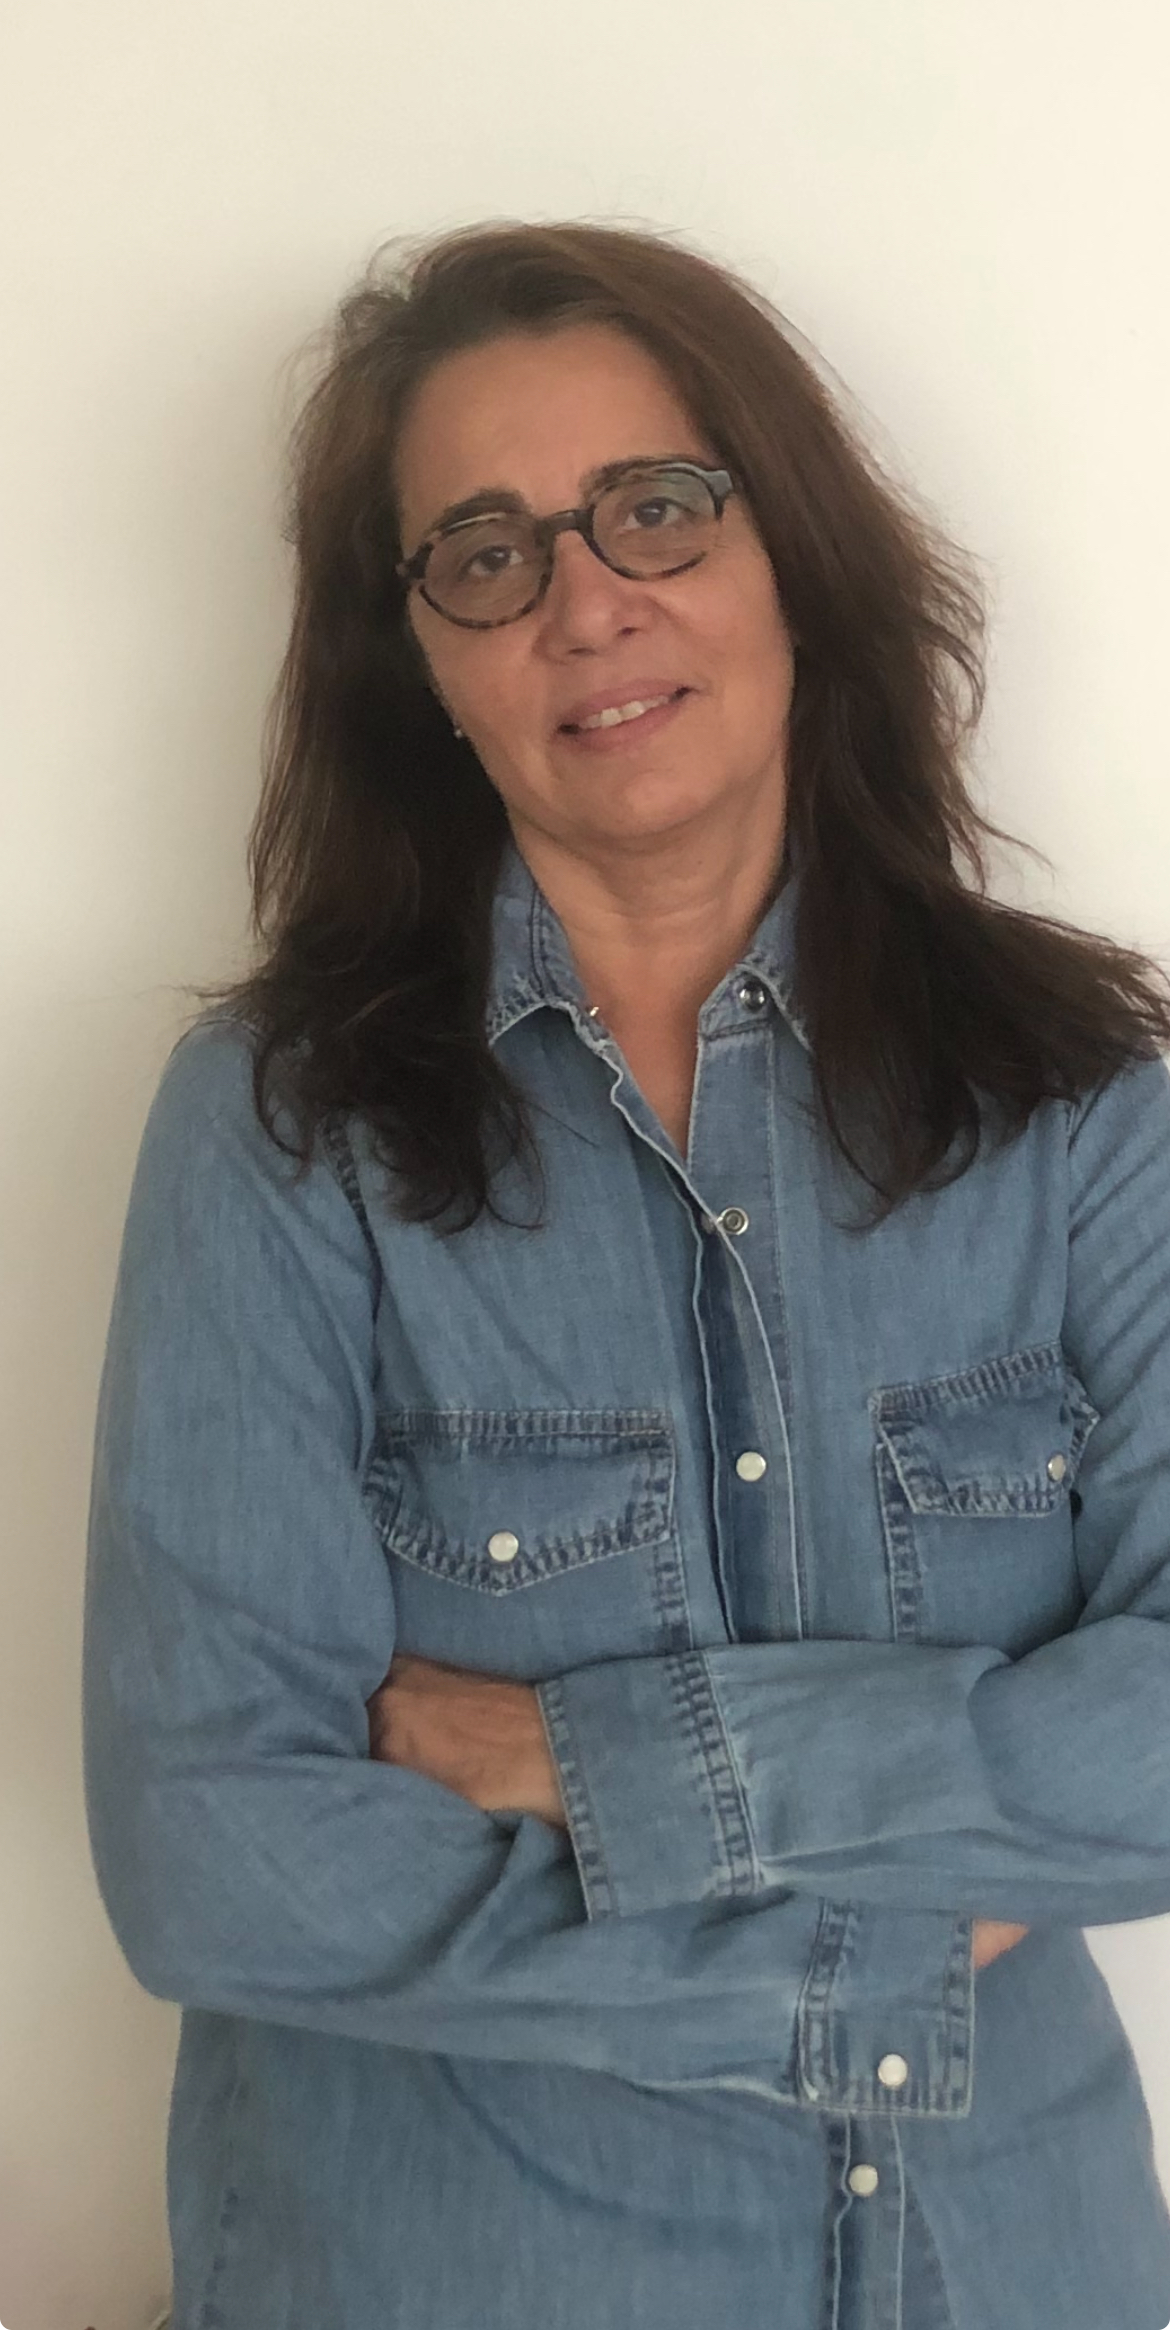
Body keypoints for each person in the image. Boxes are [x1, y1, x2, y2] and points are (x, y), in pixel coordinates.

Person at [82, 219, 1170, 2330]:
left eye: (657, 507)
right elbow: (217, 1846)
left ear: (793, 554)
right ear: (420, 660)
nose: (589, 601)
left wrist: (613, 1760)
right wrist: (863, 1962)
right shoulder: (283, 1127)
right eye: (486, 555)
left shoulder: (1078, 1098)